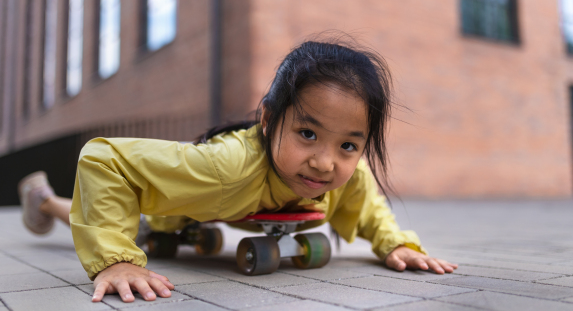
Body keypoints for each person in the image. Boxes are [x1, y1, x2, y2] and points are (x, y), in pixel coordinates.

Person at [19, 39, 458, 304]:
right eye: (307, 133)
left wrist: (396, 244)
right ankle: (43, 200)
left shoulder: (348, 173)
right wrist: (113, 262)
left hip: (220, 210)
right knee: (132, 228)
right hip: (177, 208)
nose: (326, 163)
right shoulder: (225, 166)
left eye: (348, 144)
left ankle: (47, 200)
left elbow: (368, 208)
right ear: (268, 119)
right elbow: (104, 159)